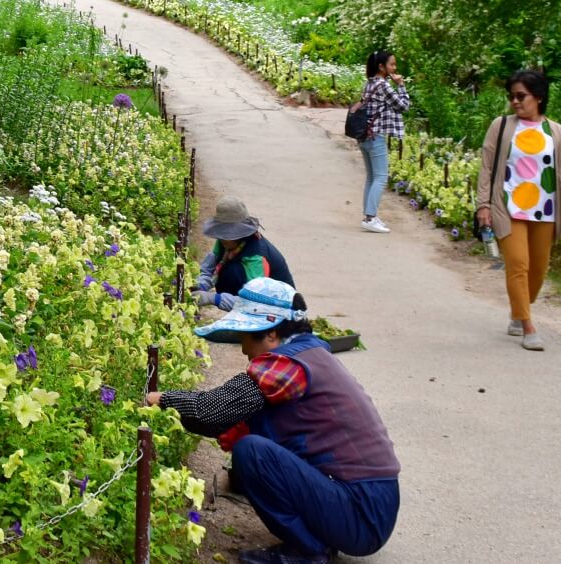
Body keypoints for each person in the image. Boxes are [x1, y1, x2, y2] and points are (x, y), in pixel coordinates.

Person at [148, 278, 400, 564]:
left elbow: (211, 412)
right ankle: (317, 540)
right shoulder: (311, 352)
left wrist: (160, 401)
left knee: (251, 451)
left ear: (271, 334)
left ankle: (309, 552)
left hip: (362, 512)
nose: (243, 349)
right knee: (250, 435)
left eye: (246, 337)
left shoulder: (287, 365)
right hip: (373, 504)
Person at [475, 70, 561, 351]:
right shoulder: (501, 126)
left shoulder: (556, 132)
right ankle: (528, 325)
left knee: (538, 271)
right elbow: (487, 167)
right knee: (518, 265)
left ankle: (517, 312)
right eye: (511, 96)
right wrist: (483, 204)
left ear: (539, 96)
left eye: (520, 96)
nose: (514, 102)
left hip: (545, 211)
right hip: (507, 208)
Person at [195, 196, 294, 312]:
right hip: (256, 302)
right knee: (228, 272)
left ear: (240, 233)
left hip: (278, 308)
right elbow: (209, 268)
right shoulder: (225, 242)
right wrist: (200, 285)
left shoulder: (256, 257)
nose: (222, 238)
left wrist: (214, 299)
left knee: (233, 272)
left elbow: (256, 302)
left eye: (228, 234)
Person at [357, 50, 410, 234]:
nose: (395, 68)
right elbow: (404, 106)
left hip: (364, 136)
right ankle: (370, 218)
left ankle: (369, 216)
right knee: (381, 177)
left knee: (372, 177)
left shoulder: (369, 84)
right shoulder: (383, 86)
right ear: (381, 66)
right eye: (392, 64)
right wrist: (401, 85)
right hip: (376, 135)